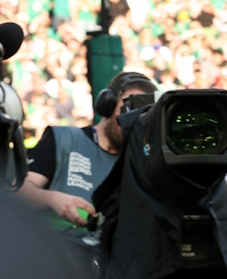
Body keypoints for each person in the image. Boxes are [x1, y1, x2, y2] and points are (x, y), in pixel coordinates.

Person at [18, 71, 159, 257]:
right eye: (127, 107)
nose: (131, 119)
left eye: (142, 113)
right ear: (107, 106)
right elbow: (20, 191)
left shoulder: (144, 161)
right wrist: (52, 199)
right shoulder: (64, 139)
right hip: (54, 256)